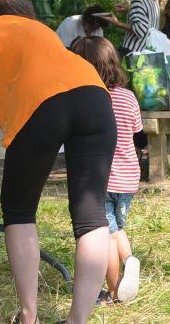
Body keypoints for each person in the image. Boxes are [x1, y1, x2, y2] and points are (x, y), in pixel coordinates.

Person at [0, 0, 116, 324]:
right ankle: (77, 320)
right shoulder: (41, 31)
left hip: (43, 107)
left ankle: (29, 316)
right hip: (95, 97)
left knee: (19, 212)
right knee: (91, 218)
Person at [70, 36, 143, 305]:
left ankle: (113, 291)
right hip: (128, 177)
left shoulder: (87, 99)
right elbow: (137, 133)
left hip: (102, 178)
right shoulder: (128, 97)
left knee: (107, 236)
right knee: (117, 228)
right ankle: (129, 260)